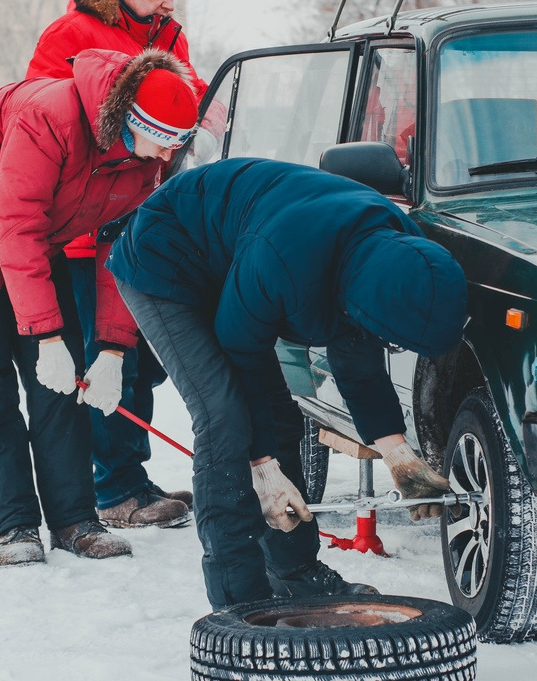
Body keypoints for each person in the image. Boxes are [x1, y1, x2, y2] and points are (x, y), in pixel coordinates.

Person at [107, 158, 468, 608]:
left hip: (241, 252)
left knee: (279, 417)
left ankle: (294, 571)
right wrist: (262, 469)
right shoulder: (286, 263)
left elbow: (358, 359)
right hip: (166, 257)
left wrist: (399, 456)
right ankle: (238, 597)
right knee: (224, 415)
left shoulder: (398, 252)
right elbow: (243, 356)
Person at [0, 47, 199, 567]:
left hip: (37, 239)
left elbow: (123, 251)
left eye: (177, 146)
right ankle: (15, 526)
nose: (165, 158)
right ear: (131, 121)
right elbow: (16, 224)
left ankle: (74, 521)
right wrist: (45, 337)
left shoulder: (146, 160)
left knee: (62, 389)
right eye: (161, 142)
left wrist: (112, 348)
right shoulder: (50, 116)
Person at [24, 0, 208, 529]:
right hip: (81, 231)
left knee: (136, 358)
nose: (170, 1)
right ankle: (114, 490)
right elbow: (40, 111)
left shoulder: (169, 36)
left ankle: (131, 475)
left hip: (137, 212)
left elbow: (188, 98)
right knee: (101, 359)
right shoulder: (71, 34)